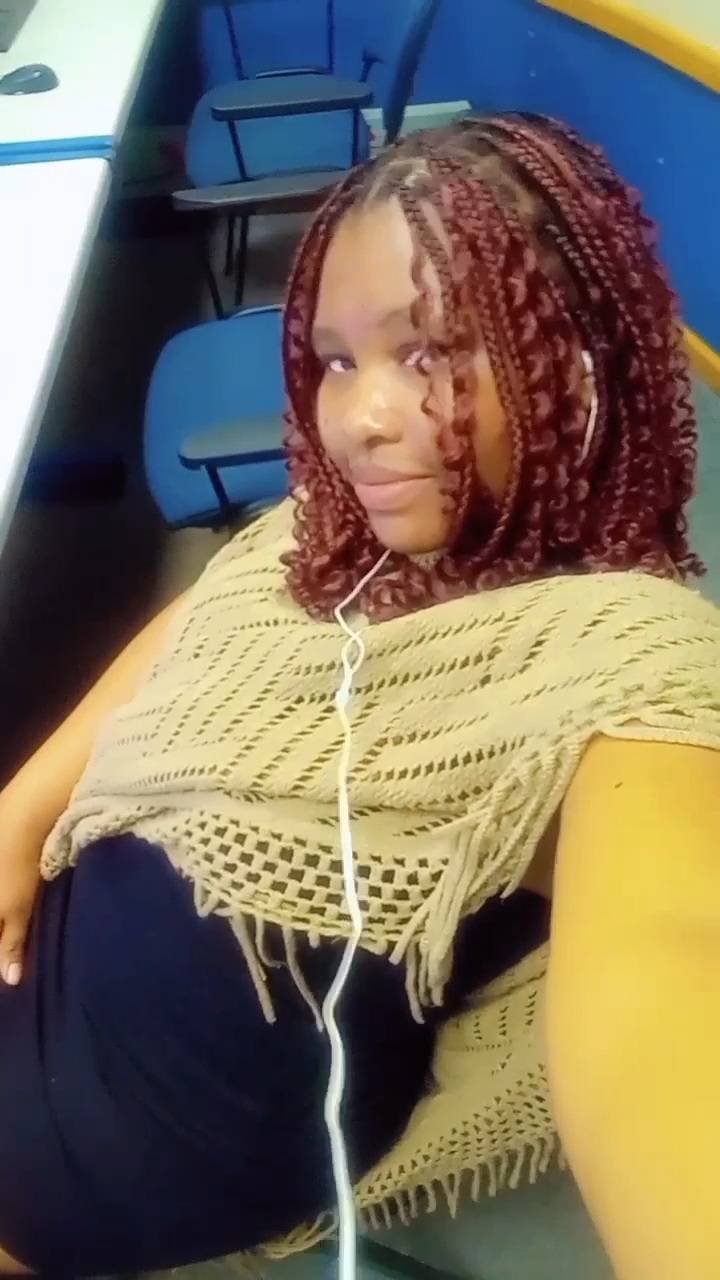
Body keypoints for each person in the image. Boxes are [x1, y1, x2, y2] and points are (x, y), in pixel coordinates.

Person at [0, 113, 719, 1280]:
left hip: (78, 1158)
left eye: (427, 352)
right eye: (338, 360)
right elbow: (207, 614)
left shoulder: (627, 664)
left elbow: (673, 966)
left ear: (580, 360)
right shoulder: (344, 532)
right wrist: (21, 812)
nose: (359, 420)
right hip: (43, 958)